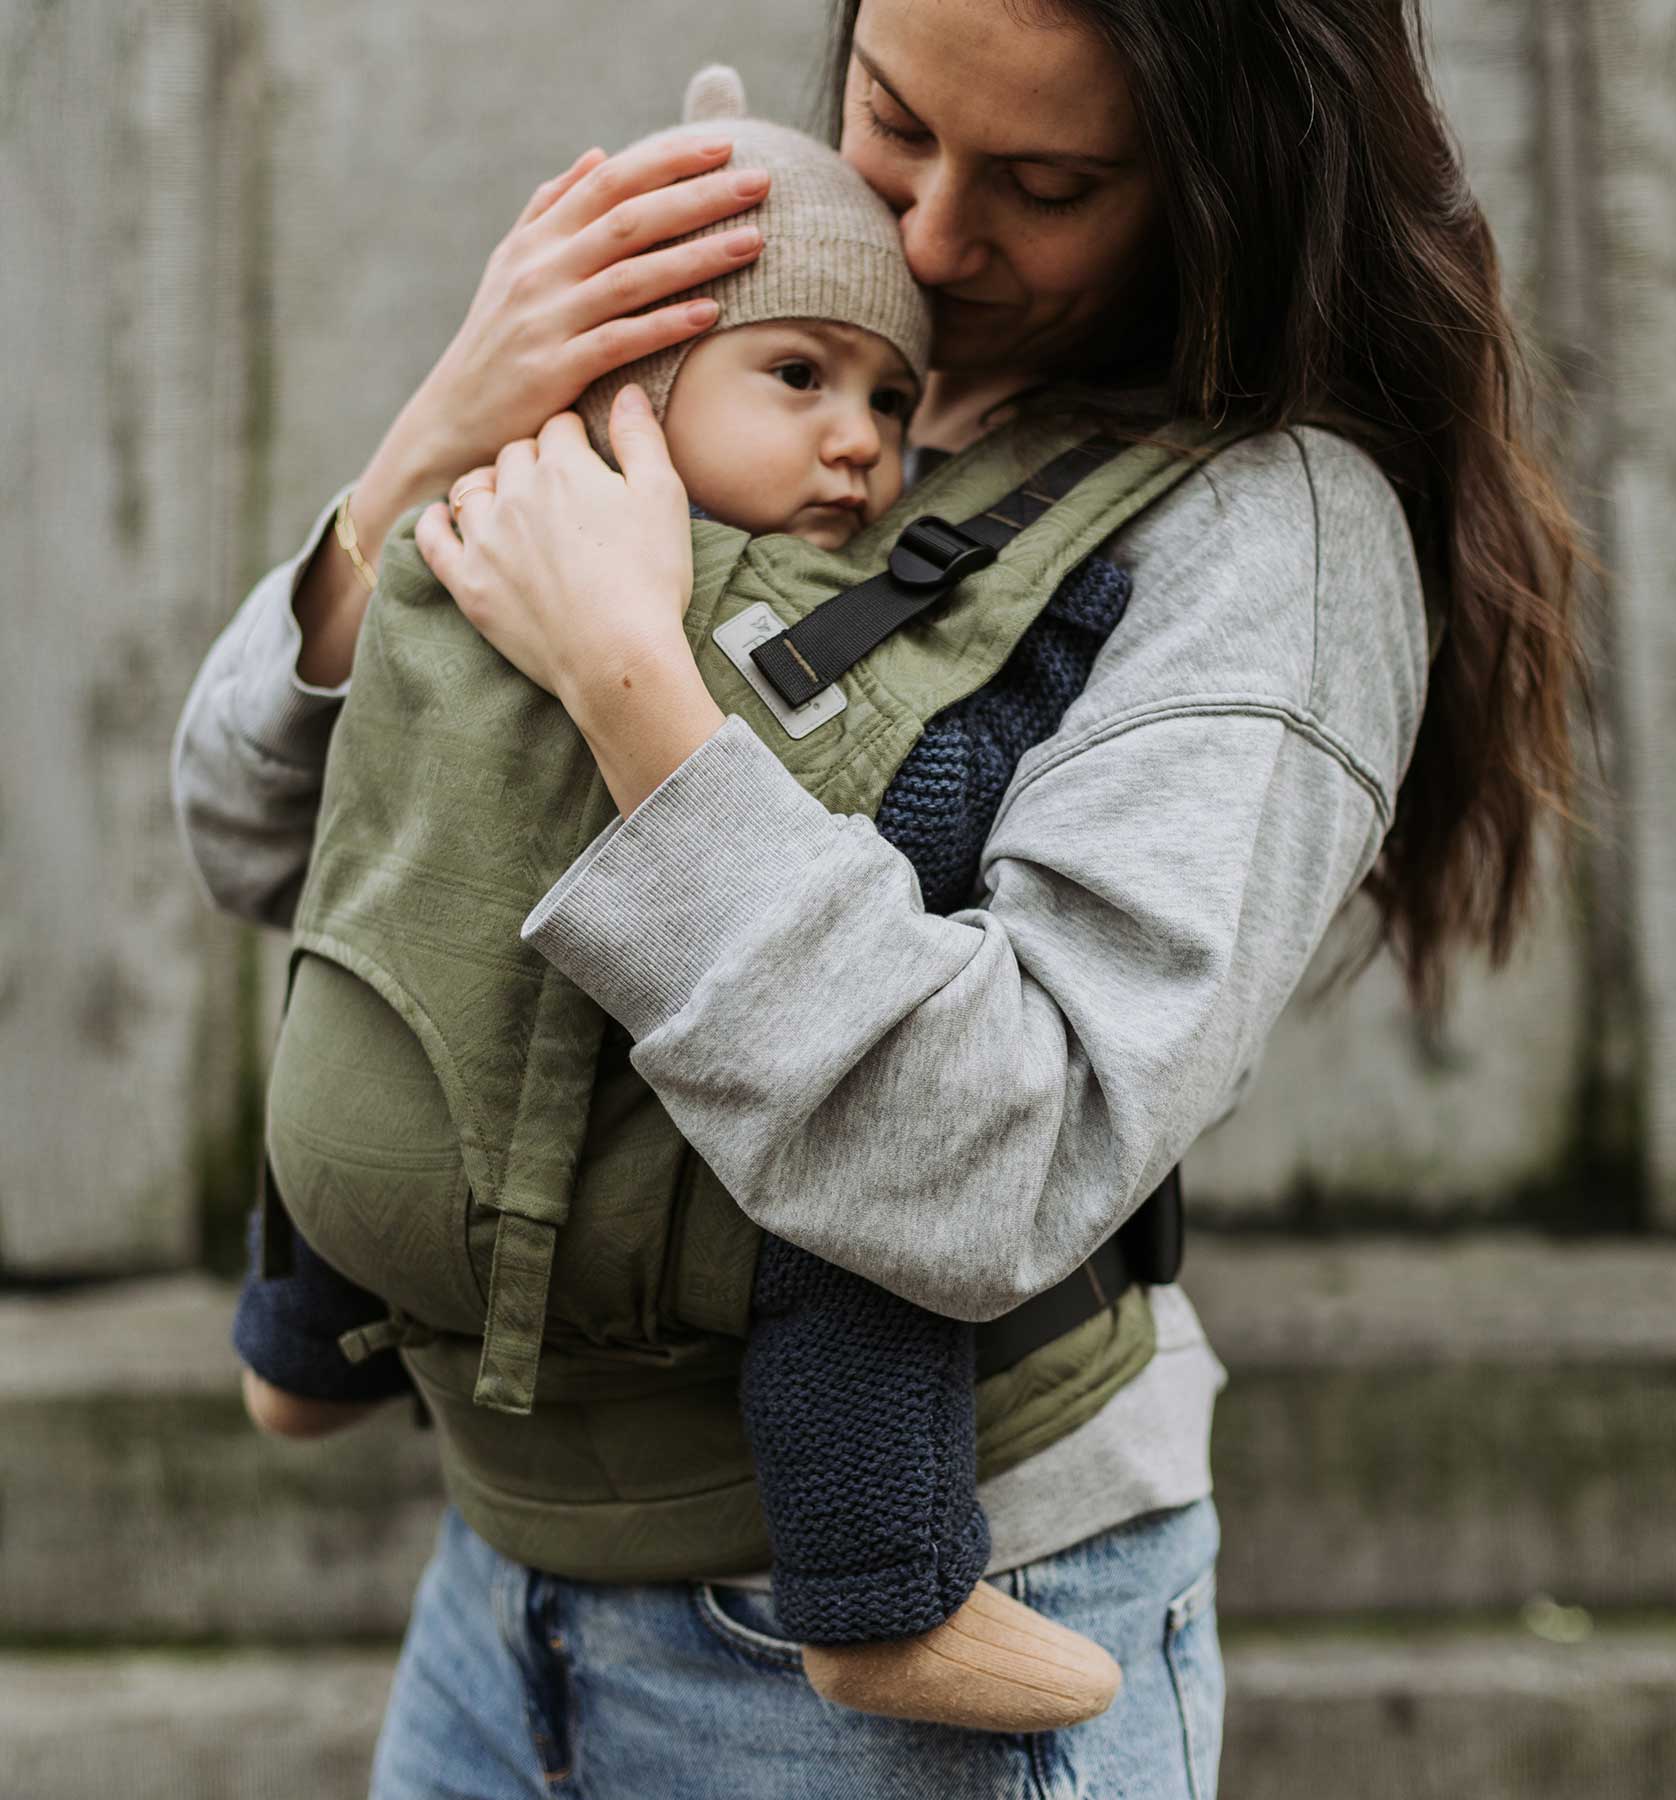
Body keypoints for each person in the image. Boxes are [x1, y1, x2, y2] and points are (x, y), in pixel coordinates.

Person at [171, 0, 1589, 1793]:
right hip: (495, 1598)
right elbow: (256, 846)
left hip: (930, 1623)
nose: (928, 237)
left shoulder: (1268, 538)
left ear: (1223, 188)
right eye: (893, 120)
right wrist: (427, 450)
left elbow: (997, 1156)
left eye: (1048, 183)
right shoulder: (729, 323)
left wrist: (635, 685)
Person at [230, 63, 1139, 1736]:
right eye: (796, 374)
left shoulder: (460, 522)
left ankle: (293, 1349)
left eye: (886, 399)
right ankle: (878, 1592)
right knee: (848, 1236)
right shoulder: (732, 588)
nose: (859, 440)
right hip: (550, 1170)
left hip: (394, 1125)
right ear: (639, 382)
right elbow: (919, 792)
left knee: (359, 980)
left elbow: (303, 823)